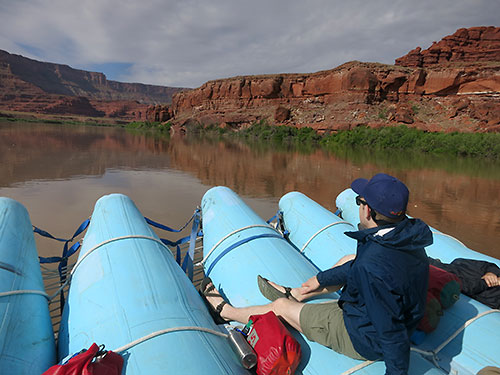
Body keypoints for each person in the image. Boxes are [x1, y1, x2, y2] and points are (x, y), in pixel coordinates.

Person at [202, 173, 433, 375]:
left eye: (359, 201)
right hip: (381, 312)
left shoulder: (372, 268)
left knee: (281, 306)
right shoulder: (407, 238)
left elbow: (390, 332)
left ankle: (227, 311)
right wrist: (319, 281)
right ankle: (298, 293)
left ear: (368, 211)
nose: (359, 207)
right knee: (347, 261)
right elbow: (359, 268)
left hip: (362, 336)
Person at [428, 257, 500, 309]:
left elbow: (488, 266)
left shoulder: (460, 263)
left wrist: (489, 277)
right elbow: (466, 287)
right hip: (490, 297)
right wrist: (488, 278)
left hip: (489, 294)